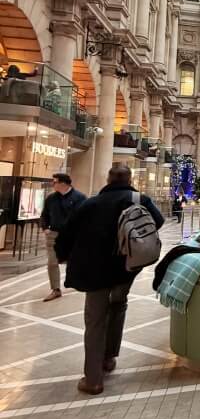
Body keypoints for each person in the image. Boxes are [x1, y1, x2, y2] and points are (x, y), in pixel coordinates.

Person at [54, 164, 164, 396]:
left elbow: (66, 234)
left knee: (95, 320)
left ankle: (93, 379)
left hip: (94, 270)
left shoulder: (91, 203)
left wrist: (64, 256)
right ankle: (109, 357)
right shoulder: (139, 199)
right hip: (126, 266)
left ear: (108, 179)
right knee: (118, 305)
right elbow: (159, 221)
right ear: (130, 178)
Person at [40, 173, 86, 301]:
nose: (52, 184)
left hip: (72, 236)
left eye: (54, 182)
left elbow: (83, 217)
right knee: (52, 262)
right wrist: (45, 228)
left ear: (64, 183)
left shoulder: (80, 197)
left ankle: (77, 281)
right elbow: (44, 215)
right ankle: (55, 289)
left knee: (74, 260)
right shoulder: (51, 198)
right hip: (53, 235)